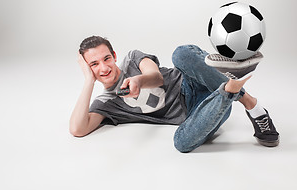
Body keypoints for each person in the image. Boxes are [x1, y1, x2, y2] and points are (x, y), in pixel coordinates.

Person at [70, 35, 279, 153]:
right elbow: (78, 129)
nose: (104, 67)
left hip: (191, 78)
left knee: (180, 54)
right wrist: (89, 81)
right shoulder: (106, 104)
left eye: (106, 59)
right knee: (181, 142)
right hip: (200, 110)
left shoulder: (132, 59)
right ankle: (230, 87)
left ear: (114, 56)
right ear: (88, 68)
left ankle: (251, 104)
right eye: (94, 64)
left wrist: (138, 81)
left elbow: (156, 77)